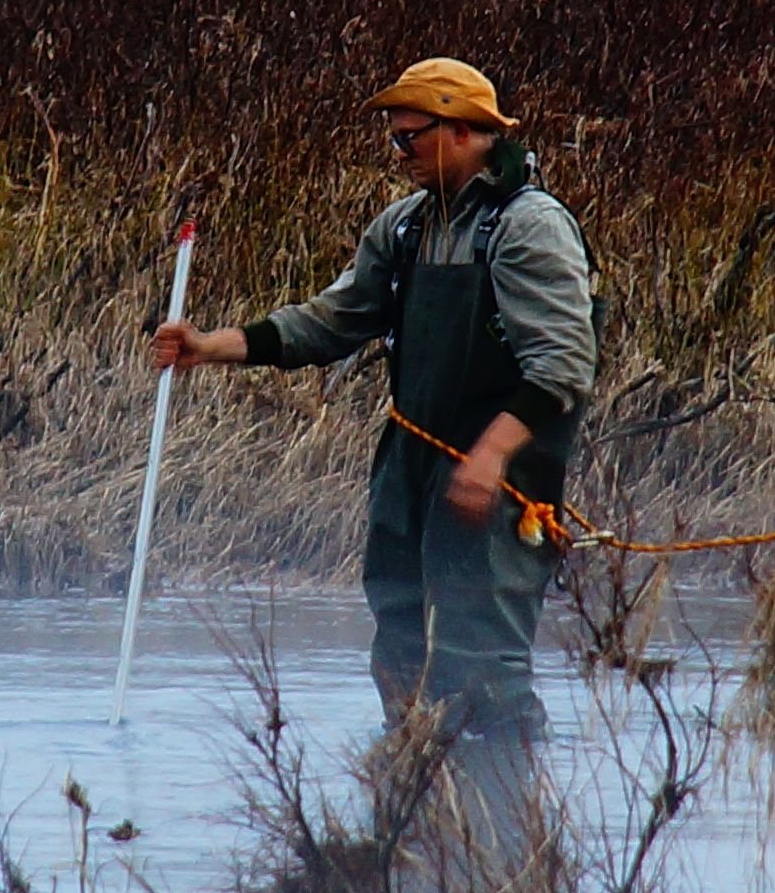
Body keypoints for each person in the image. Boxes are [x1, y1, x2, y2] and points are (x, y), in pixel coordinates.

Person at [152, 58, 598, 805]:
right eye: (395, 141)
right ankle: (414, 824)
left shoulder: (529, 227)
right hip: (408, 468)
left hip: (500, 481)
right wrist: (209, 347)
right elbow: (332, 321)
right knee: (398, 635)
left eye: (408, 139)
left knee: (480, 661)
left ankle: (507, 841)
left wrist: (487, 460)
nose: (399, 154)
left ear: (463, 131)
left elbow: (563, 365)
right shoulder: (405, 227)